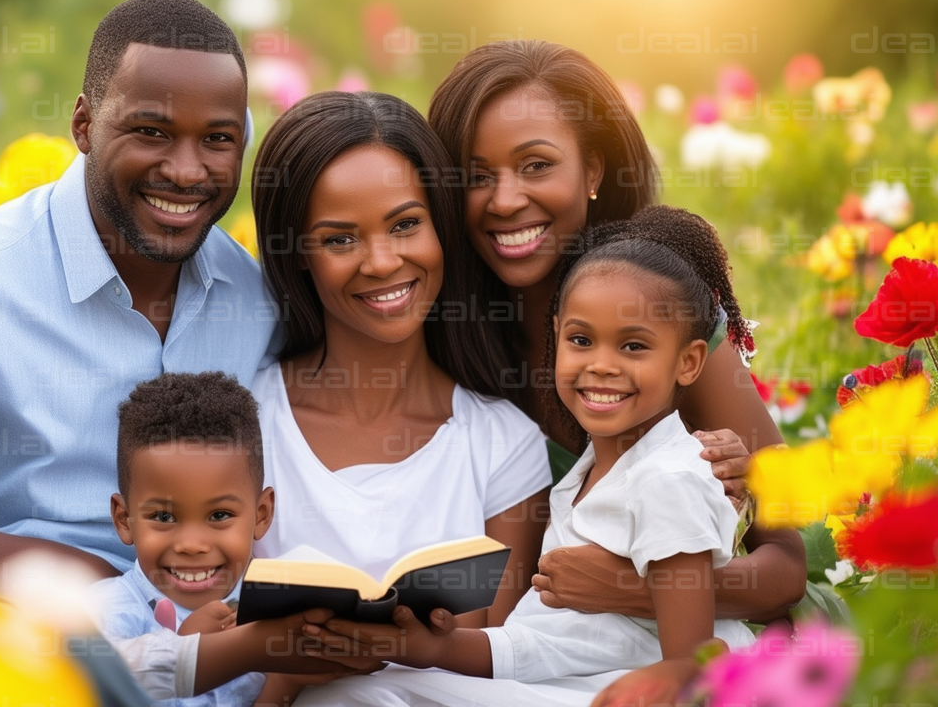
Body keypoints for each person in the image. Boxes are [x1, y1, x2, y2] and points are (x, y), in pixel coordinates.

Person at [0, 0, 277, 612]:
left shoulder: (257, 302)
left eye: (217, 139)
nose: (187, 171)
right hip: (28, 645)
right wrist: (134, 608)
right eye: (151, 132)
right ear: (83, 124)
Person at [294, 206, 759, 707]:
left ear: (688, 362)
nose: (601, 365)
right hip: (561, 683)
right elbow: (544, 644)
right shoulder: (586, 478)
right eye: (581, 340)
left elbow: (688, 667)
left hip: (621, 693)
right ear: (555, 335)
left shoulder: (668, 479)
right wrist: (423, 645)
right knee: (351, 693)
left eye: (633, 346)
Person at [426, 40, 806, 624]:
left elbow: (785, 568)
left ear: (594, 170)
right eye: (476, 176)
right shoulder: (439, 323)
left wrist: (631, 588)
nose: (505, 200)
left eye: (536, 165)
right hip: (517, 651)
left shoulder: (664, 307)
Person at [248, 91, 552, 627]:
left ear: (441, 224)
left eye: (406, 224)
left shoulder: (505, 444)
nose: (383, 262)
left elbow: (501, 657)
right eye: (340, 239)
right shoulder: (246, 424)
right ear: (296, 252)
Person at [96, 371, 341, 706]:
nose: (192, 544)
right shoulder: (108, 610)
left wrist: (286, 681)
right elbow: (96, 683)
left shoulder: (279, 605)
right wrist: (190, 649)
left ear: (261, 514)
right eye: (164, 517)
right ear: (124, 519)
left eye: (219, 516)